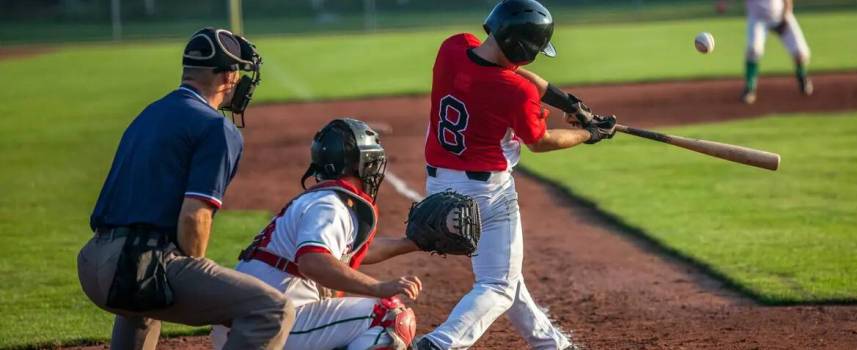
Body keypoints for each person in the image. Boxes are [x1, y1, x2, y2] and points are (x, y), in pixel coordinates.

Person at [414, 0, 616, 349]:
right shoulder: (515, 92)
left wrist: (567, 102)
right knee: (497, 286)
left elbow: (505, 68)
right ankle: (440, 343)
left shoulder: (453, 47)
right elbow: (540, 140)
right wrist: (589, 134)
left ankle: (552, 345)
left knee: (505, 275)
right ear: (523, 49)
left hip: (438, 185)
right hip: (487, 194)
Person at [77, 27, 295, 350]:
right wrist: (201, 279)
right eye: (237, 72)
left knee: (143, 307)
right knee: (273, 309)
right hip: (132, 269)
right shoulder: (217, 127)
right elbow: (194, 218)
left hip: (93, 262)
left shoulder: (149, 114)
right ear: (226, 76)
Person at [211, 118, 426, 350]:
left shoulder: (319, 201)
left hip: (246, 326)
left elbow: (344, 253)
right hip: (271, 326)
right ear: (361, 164)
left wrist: (412, 243)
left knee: (344, 324)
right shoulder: (330, 206)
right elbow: (313, 261)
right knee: (389, 316)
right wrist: (378, 288)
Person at [739, 0, 813, 104]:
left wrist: (786, 15)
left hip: (781, 15)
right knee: (753, 50)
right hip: (758, 19)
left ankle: (802, 78)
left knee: (800, 52)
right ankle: (749, 89)